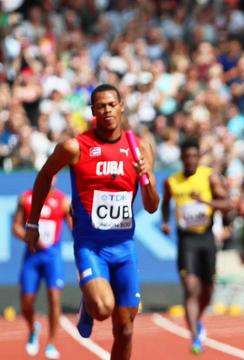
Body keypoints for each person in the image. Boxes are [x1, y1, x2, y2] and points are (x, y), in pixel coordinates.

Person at [24, 84, 160, 360]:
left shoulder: (140, 147)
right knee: (102, 307)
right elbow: (44, 175)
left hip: (125, 248)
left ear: (121, 106)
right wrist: (33, 223)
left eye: (111, 104)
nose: (107, 110)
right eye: (101, 106)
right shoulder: (75, 146)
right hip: (91, 246)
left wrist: (146, 177)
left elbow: (151, 205)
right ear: (93, 111)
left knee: (125, 330)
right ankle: (88, 303)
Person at [161, 137, 234, 354]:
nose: (191, 160)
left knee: (207, 289)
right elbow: (165, 204)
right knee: (191, 288)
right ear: (182, 158)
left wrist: (205, 202)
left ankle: (198, 317)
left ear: (199, 157)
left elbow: (227, 204)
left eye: (194, 156)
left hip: (206, 238)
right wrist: (165, 221)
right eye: (187, 157)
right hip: (187, 240)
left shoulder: (209, 177)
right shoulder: (172, 181)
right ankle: (194, 336)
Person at [12, 177, 72, 359]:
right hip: (32, 257)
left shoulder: (62, 201)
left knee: (54, 298)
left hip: (52, 257)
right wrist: (30, 237)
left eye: (52, 176)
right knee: (26, 302)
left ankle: (51, 343)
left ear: (55, 179)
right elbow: (16, 227)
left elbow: (74, 227)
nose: (50, 179)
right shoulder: (26, 198)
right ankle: (32, 328)